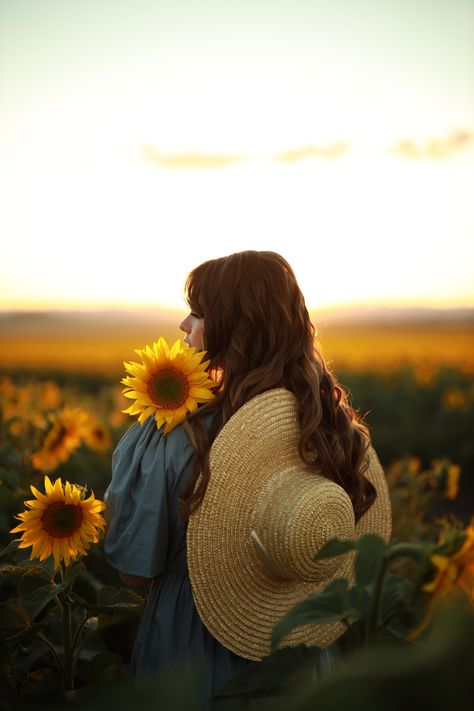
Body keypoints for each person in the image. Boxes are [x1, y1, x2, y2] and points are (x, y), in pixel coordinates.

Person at [103, 250, 391, 706]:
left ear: (232, 330)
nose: (183, 325)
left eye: (198, 313)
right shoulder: (327, 426)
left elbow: (133, 574)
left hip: (193, 649)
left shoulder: (177, 436)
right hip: (300, 649)